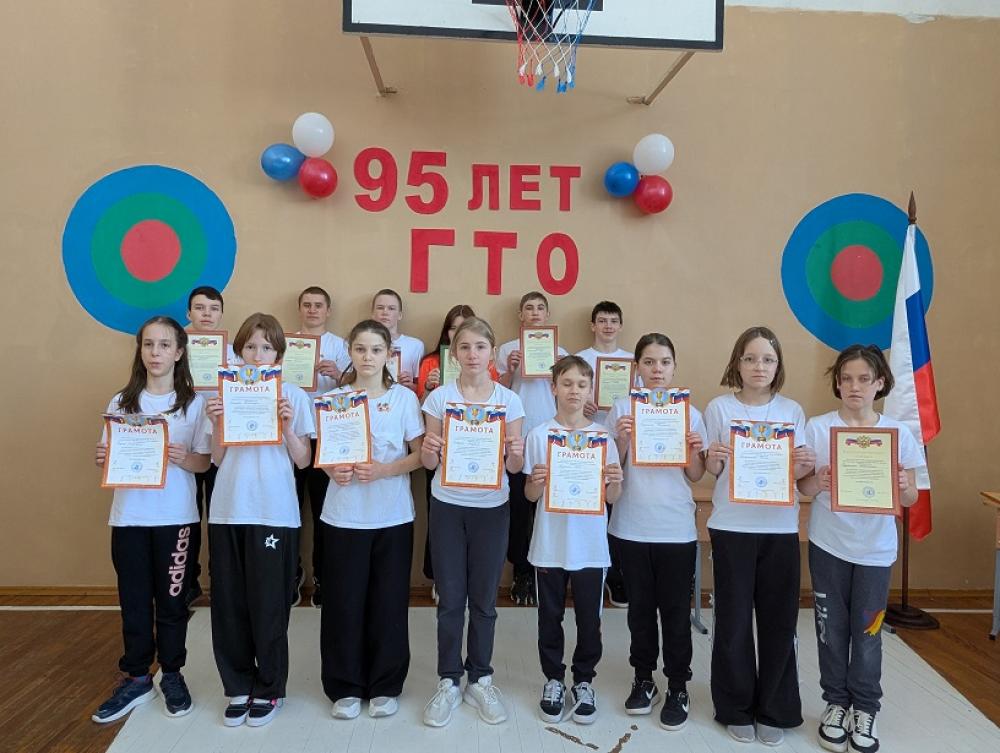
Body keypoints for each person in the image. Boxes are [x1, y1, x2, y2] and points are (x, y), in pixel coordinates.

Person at [798, 344, 923, 753]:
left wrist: (903, 487)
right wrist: (819, 482)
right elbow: (803, 487)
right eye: (847, 378)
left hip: (875, 551)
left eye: (864, 379)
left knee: (868, 634)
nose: (855, 386)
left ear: (880, 383)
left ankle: (865, 708)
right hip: (828, 545)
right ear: (837, 383)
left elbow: (910, 497)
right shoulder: (818, 428)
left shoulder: (899, 434)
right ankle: (836, 703)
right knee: (830, 630)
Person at [91, 316, 210, 723]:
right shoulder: (121, 402)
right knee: (135, 600)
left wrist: (184, 458)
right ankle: (138, 676)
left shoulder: (194, 404)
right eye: (148, 345)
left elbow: (204, 462)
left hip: (176, 519)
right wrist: (104, 458)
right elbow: (110, 457)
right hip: (129, 518)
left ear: (179, 352)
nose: (155, 353)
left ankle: (172, 673)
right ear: (140, 350)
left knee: (172, 602)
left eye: (164, 345)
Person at [703, 326, 815, 745]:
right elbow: (712, 470)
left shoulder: (792, 411)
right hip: (732, 526)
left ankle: (775, 709)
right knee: (732, 622)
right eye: (750, 358)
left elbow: (799, 474)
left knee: (779, 621)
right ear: (737, 362)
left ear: (778, 365)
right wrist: (714, 458)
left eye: (768, 359)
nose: (759, 367)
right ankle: (735, 707)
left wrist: (804, 462)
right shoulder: (719, 408)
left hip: (780, 528)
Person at [203, 313, 314, 728]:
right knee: (229, 602)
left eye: (266, 347)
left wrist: (286, 427)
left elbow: (303, 460)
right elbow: (216, 458)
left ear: (279, 355)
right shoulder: (222, 394)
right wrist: (217, 422)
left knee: (268, 603)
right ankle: (237, 685)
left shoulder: (294, 396)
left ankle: (269, 688)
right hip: (229, 508)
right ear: (238, 352)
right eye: (250, 346)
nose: (257, 354)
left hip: (274, 510)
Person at [420, 317, 525, 727]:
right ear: (454, 354)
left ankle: (480, 677)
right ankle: (449, 679)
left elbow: (513, 467)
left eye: (480, 347)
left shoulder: (509, 401)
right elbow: (429, 462)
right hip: (448, 505)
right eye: (464, 347)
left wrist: (516, 452)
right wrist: (430, 448)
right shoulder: (439, 398)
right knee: (450, 599)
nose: (473, 355)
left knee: (483, 599)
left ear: (492, 353)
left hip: (492, 507)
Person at [319, 320, 424, 720]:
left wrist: (384, 470)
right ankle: (344, 686)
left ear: (388, 355)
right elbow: (323, 454)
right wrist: (332, 469)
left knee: (388, 603)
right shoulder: (334, 399)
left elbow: (419, 455)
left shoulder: (404, 399)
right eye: (360, 349)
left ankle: (385, 685)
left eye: (376, 350)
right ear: (350, 351)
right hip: (344, 516)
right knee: (343, 603)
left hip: (392, 515)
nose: (367, 357)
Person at [607, 334, 707, 730]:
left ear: (674, 366)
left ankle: (678, 686)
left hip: (675, 528)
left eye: (664, 362)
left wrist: (693, 450)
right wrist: (622, 439)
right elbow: (610, 468)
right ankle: (644, 679)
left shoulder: (690, 413)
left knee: (676, 613)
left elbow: (695, 474)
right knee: (640, 612)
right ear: (637, 367)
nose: (657, 370)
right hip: (631, 525)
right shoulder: (622, 408)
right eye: (649, 362)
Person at [524, 356, 623, 725]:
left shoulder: (603, 438)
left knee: (589, 620)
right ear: (554, 387)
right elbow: (530, 495)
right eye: (566, 383)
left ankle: (583, 681)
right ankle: (553, 679)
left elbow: (611, 498)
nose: (574, 391)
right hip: (550, 543)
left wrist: (616, 481)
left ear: (590, 389)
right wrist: (536, 481)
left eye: (582, 384)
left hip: (590, 547)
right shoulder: (539, 435)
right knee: (549, 617)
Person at [415, 304, 498, 594]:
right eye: (454, 328)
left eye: (479, 345)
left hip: (483, 472)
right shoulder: (430, 362)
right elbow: (421, 404)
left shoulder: (492, 377)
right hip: (442, 457)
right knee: (440, 524)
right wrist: (428, 387)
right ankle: (442, 579)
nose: (472, 352)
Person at [497, 291, 568, 605]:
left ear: (547, 314)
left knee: (546, 506)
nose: (535, 312)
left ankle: (546, 571)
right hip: (517, 437)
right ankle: (521, 572)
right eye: (529, 307)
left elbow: (567, 393)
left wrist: (559, 370)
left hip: (550, 437)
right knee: (518, 508)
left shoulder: (561, 351)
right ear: (520, 314)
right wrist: (510, 369)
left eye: (541, 307)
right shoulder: (507, 349)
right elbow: (497, 391)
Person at [293, 285, 352, 608]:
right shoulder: (286, 344)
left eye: (318, 305)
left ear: (328, 311)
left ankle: (322, 577)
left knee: (322, 511)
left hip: (327, 436)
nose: (313, 310)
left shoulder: (341, 346)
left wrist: (338, 375)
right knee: (289, 509)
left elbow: (354, 390)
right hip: (291, 436)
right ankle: (290, 574)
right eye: (307, 305)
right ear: (300, 309)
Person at [575, 300, 633, 607]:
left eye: (613, 320)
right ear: (592, 325)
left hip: (621, 443)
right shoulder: (580, 359)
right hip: (585, 445)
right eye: (602, 320)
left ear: (620, 326)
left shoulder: (632, 361)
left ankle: (615, 575)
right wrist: (582, 407)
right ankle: (584, 571)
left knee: (615, 507)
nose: (608, 326)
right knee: (589, 509)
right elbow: (567, 398)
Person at [184, 285, 237, 607]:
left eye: (213, 308)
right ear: (189, 313)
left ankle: (222, 582)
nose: (207, 314)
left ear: (221, 314)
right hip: (184, 444)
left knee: (220, 514)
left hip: (221, 444)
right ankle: (187, 582)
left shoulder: (233, 354)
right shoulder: (175, 348)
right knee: (187, 514)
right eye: (200, 308)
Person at [371, 288, 424, 393]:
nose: (385, 312)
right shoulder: (361, 344)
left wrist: (410, 385)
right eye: (380, 308)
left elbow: (420, 389)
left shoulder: (415, 345)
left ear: (400, 315)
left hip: (402, 398)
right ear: (372, 313)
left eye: (391, 308)